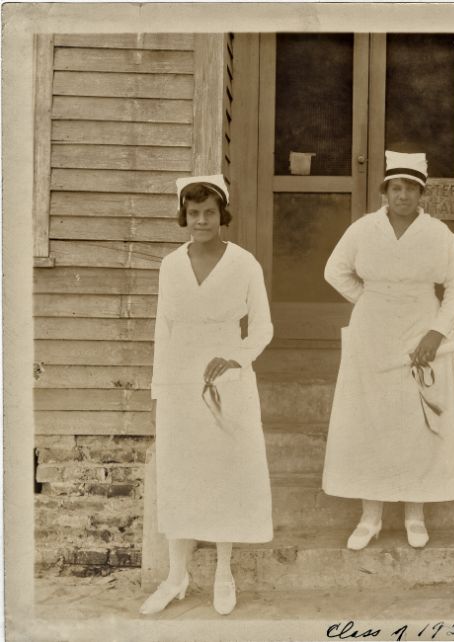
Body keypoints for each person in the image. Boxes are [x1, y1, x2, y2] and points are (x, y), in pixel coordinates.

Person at [140, 175, 274, 616]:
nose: (201, 220)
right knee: (179, 476)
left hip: (226, 380)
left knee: (223, 475)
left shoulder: (244, 264)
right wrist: (160, 385)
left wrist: (236, 357)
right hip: (179, 380)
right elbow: (163, 327)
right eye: (193, 213)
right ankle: (176, 576)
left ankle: (223, 573)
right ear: (184, 215)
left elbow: (262, 328)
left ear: (222, 216)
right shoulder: (169, 265)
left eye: (209, 213)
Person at [322, 151, 454, 550]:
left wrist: (437, 332)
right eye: (396, 187)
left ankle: (414, 514)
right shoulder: (363, 230)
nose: (403, 195)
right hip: (372, 334)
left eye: (411, 188)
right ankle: (370, 516)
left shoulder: (438, 234)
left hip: (422, 330)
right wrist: (369, 301)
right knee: (372, 420)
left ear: (422, 193)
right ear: (385, 191)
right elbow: (334, 270)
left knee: (416, 423)